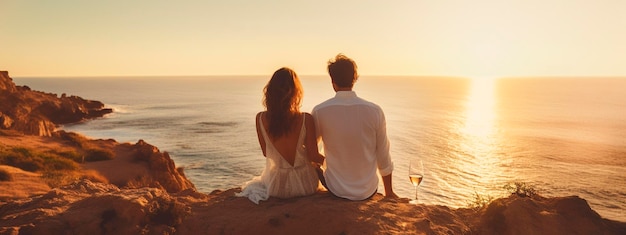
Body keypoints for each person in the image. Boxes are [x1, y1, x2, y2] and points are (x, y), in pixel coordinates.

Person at [312, 54, 398, 200]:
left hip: (335, 189)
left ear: (332, 80)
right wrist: (389, 192)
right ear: (354, 78)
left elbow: (312, 152)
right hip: (368, 190)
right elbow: (383, 156)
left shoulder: (320, 111)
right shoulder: (375, 111)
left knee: (312, 164)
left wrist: (329, 163)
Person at [238, 67, 325, 204]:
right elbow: (314, 156)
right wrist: (336, 165)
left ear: (271, 91)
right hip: (306, 185)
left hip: (277, 186)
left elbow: (266, 153)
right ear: (296, 92)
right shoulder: (305, 119)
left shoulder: (260, 118)